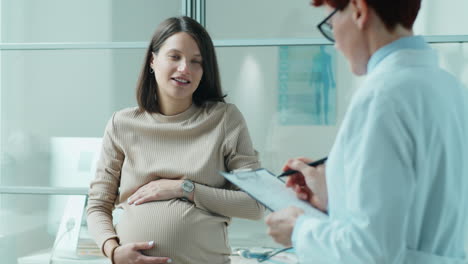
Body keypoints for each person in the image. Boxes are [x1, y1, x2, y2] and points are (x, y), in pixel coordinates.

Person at [265, 0, 468, 263]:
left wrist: (299, 230)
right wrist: (337, 197)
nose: (335, 42)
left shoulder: (383, 96)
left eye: (331, 23)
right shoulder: (451, 88)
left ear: (359, 10)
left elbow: (372, 251)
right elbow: (418, 209)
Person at [86, 16, 264, 264]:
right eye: (175, 57)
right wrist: (113, 251)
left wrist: (184, 189)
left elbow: (255, 204)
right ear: (152, 60)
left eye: (196, 62)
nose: (185, 69)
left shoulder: (224, 119)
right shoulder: (122, 123)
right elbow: (97, 205)